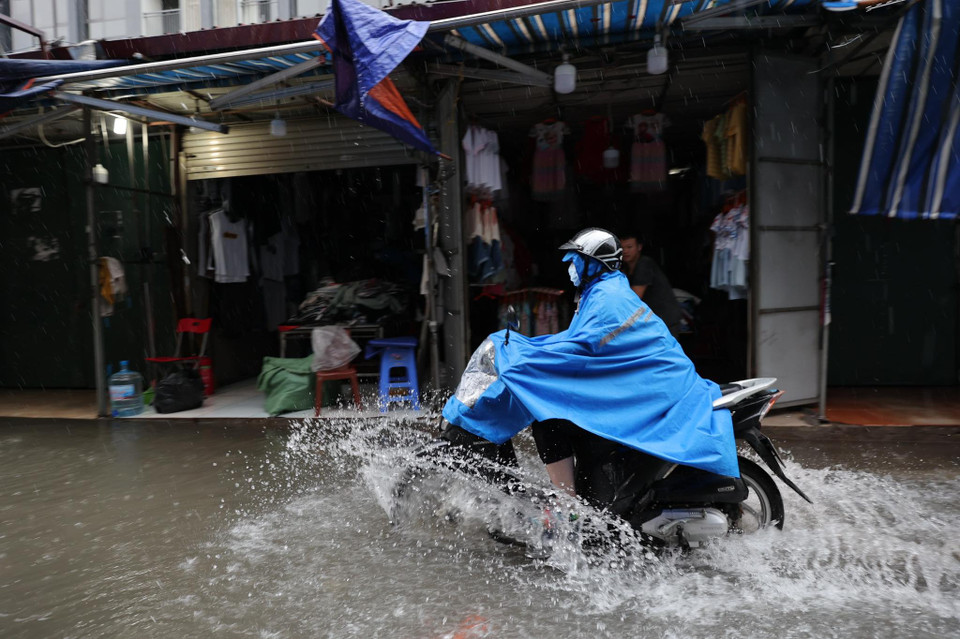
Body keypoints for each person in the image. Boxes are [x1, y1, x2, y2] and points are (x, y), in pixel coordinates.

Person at [525, 228, 735, 507]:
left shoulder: (608, 297)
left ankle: (567, 505)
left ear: (593, 263)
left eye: (576, 260)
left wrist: (528, 360)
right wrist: (532, 350)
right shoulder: (598, 291)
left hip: (656, 389)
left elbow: (582, 346)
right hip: (647, 382)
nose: (570, 267)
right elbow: (577, 340)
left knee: (548, 421)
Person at [619, 232, 684, 336]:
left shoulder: (644, 264)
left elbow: (634, 297)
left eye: (629, 247)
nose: (625, 251)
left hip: (664, 321)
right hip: (651, 321)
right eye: (622, 248)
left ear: (639, 247)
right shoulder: (625, 269)